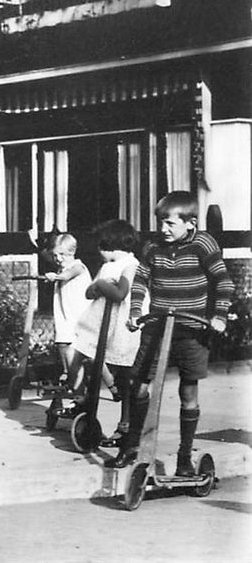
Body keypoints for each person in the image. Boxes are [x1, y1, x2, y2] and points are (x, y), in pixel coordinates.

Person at [105, 191, 234, 473]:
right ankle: (132, 446)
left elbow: (223, 281)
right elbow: (140, 279)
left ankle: (185, 457)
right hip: (157, 327)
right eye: (160, 222)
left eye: (169, 224)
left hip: (191, 330)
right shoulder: (153, 248)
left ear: (190, 223)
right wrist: (136, 311)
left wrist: (219, 317)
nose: (163, 229)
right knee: (138, 386)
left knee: (188, 392)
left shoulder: (203, 244)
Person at [68, 220, 141, 447]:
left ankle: (125, 424)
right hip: (101, 324)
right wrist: (98, 285)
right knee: (85, 356)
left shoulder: (131, 264)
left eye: (101, 246)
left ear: (112, 244)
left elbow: (120, 293)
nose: (98, 252)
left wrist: (101, 285)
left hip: (122, 325)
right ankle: (87, 403)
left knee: (125, 373)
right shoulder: (107, 266)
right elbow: (90, 292)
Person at [44, 233, 90, 390]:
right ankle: (68, 373)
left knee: (77, 350)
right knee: (62, 343)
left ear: (72, 252)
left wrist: (55, 277)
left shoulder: (78, 266)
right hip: (65, 315)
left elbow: (66, 276)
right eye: (55, 255)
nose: (58, 258)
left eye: (62, 254)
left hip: (79, 315)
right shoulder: (62, 266)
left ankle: (79, 384)